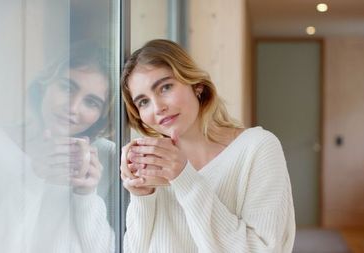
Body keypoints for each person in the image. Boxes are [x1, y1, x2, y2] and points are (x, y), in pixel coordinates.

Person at [120, 39, 295, 252]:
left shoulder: (257, 148)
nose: (158, 107)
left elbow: (262, 249)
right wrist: (142, 198)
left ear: (197, 86)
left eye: (165, 87)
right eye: (143, 102)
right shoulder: (153, 166)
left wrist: (185, 177)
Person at [0, 41, 116, 253]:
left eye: (92, 102)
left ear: (100, 116)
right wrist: (33, 178)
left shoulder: (106, 156)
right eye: (67, 88)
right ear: (44, 83)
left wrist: (86, 195)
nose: (73, 108)